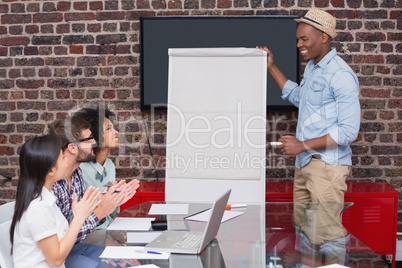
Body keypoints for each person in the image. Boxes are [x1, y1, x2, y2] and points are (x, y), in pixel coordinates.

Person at [258, 8, 360, 246]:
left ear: (323, 37)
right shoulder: (314, 68)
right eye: (298, 39)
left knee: (326, 237)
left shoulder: (340, 75)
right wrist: (271, 67)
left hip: (327, 168)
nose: (299, 44)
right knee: (304, 234)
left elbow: (348, 131)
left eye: (304, 39)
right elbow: (299, 96)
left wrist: (302, 144)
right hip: (306, 165)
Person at [10, 134, 101, 267]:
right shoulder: (39, 208)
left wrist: (78, 215)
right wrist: (79, 218)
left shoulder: (46, 198)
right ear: (51, 170)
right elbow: (56, 259)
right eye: (63, 158)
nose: (68, 161)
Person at [49, 116, 129, 266]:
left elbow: (78, 227)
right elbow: (63, 238)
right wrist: (100, 212)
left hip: (77, 246)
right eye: (88, 139)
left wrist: (108, 203)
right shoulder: (53, 184)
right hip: (60, 256)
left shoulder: (76, 173)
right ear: (72, 148)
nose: (94, 142)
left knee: (123, 261)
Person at [75, 106, 140, 245]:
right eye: (109, 129)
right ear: (92, 135)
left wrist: (117, 198)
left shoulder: (109, 165)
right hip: (88, 233)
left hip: (108, 227)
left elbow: (112, 212)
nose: (116, 132)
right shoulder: (78, 169)